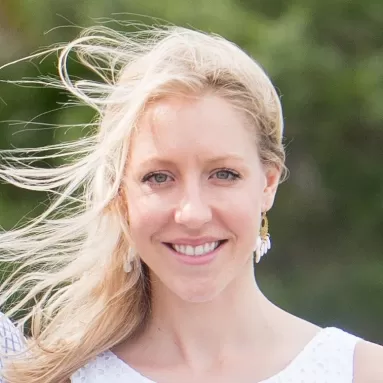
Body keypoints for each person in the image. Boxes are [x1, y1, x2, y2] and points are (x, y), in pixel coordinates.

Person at [0, 24, 382, 383]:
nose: (193, 214)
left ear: (267, 184)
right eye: (159, 178)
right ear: (121, 195)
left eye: (224, 174)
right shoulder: (54, 376)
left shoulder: (362, 371)